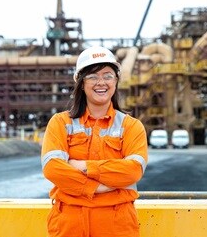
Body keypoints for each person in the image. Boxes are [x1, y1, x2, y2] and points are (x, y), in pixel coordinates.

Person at [41, 46, 148, 237]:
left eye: (107, 75)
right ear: (81, 83)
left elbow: (132, 171)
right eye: (92, 76)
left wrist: (83, 166)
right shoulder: (60, 122)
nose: (101, 82)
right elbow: (52, 168)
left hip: (117, 225)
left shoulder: (131, 126)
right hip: (69, 225)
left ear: (116, 81)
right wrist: (97, 187)